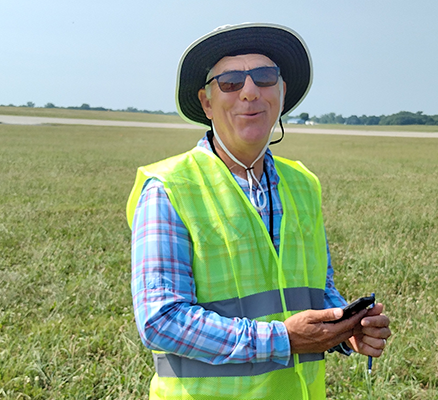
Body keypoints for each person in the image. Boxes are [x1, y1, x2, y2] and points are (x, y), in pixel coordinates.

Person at [127, 22, 391, 400]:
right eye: (231, 82)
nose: (250, 92)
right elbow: (161, 321)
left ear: (281, 93)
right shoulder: (169, 188)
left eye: (265, 78)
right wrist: (283, 339)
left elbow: (319, 292)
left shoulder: (303, 184)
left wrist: (346, 327)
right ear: (206, 102)